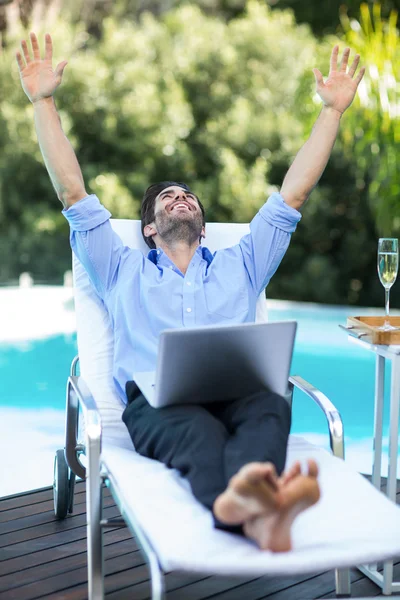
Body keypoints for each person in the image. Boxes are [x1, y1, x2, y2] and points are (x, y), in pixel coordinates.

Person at [16, 32, 364, 552]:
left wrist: (333, 112)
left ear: (202, 226)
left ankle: (251, 502)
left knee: (271, 408)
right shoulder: (119, 266)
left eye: (188, 197)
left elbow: (295, 192)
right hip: (158, 403)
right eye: (167, 198)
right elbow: (71, 190)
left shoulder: (244, 262)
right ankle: (247, 506)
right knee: (199, 436)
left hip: (237, 396)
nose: (180, 198)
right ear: (150, 229)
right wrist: (43, 101)